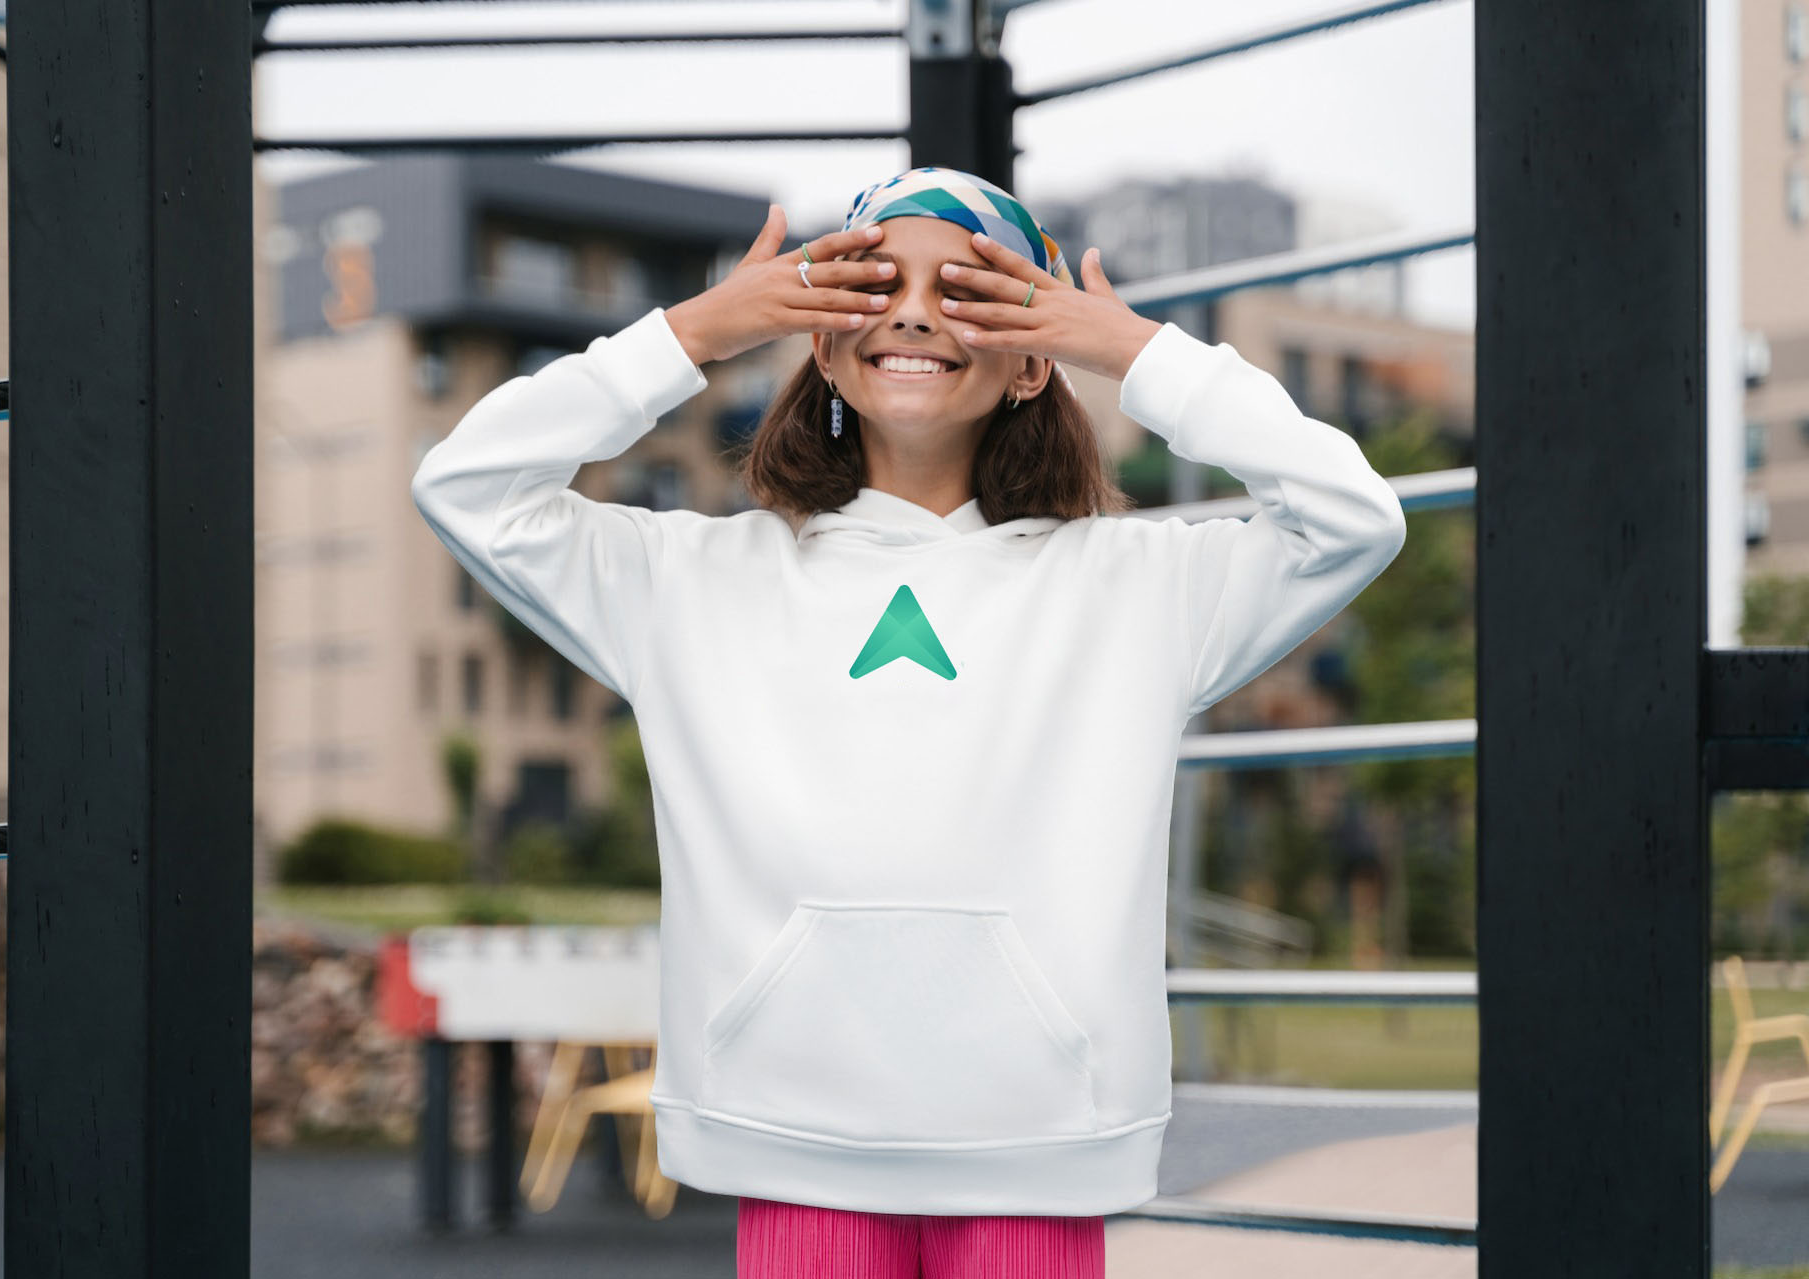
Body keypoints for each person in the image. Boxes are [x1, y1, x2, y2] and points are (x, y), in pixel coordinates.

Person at [410, 166, 1407, 1277]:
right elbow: (467, 486)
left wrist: (1131, 351)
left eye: (975, 288)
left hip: (1038, 1143)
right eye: (876, 282)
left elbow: (1351, 517)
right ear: (826, 343)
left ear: (1036, 356)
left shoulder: (1139, 586)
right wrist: (697, 331)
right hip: (796, 1139)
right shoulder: (686, 579)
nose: (919, 312)